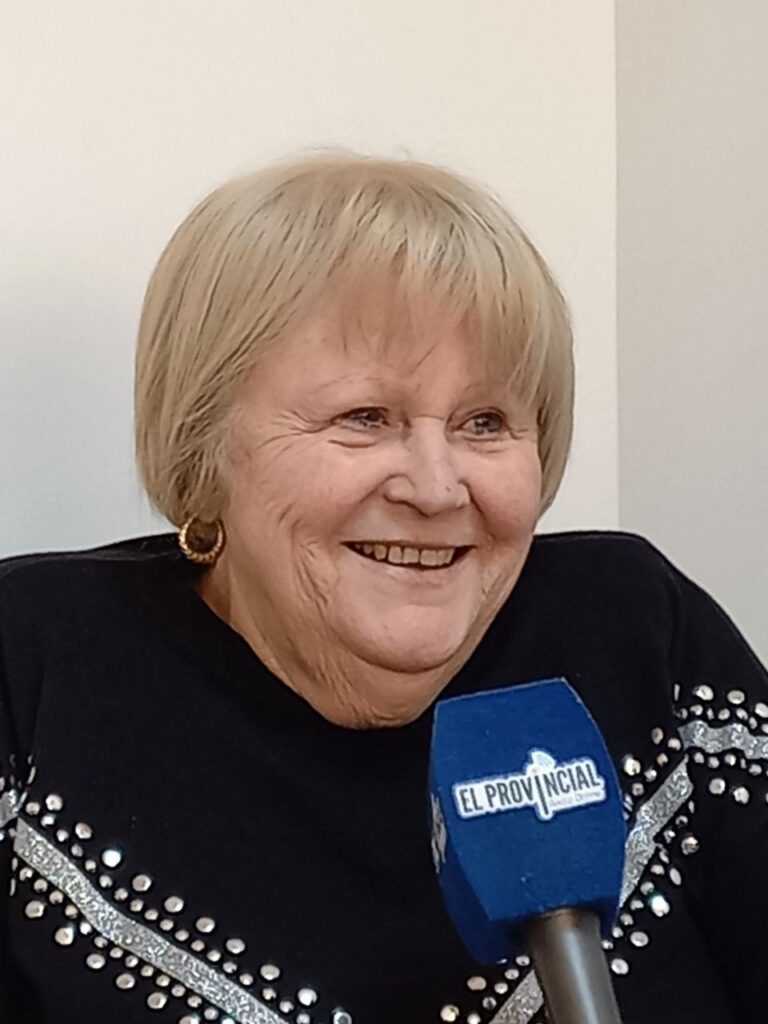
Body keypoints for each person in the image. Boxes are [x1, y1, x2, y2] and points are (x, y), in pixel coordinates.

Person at [1, 153, 766, 1024]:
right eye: (364, 418)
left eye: (486, 423)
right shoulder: (36, 667)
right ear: (205, 442)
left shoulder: (634, 630)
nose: (436, 489)